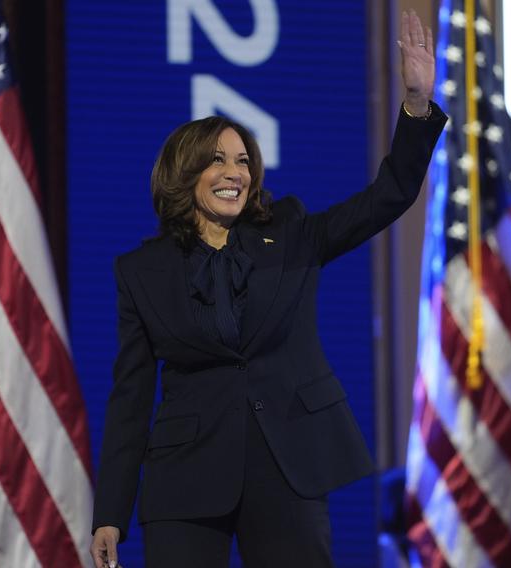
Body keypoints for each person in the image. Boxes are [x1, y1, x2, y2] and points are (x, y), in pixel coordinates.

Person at [90, 10, 445, 568]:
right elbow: (130, 397)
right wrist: (110, 510)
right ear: (184, 172)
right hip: (187, 476)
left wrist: (417, 106)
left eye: (242, 160)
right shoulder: (141, 271)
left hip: (290, 463)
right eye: (217, 160)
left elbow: (388, 196)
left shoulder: (292, 231)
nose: (235, 172)